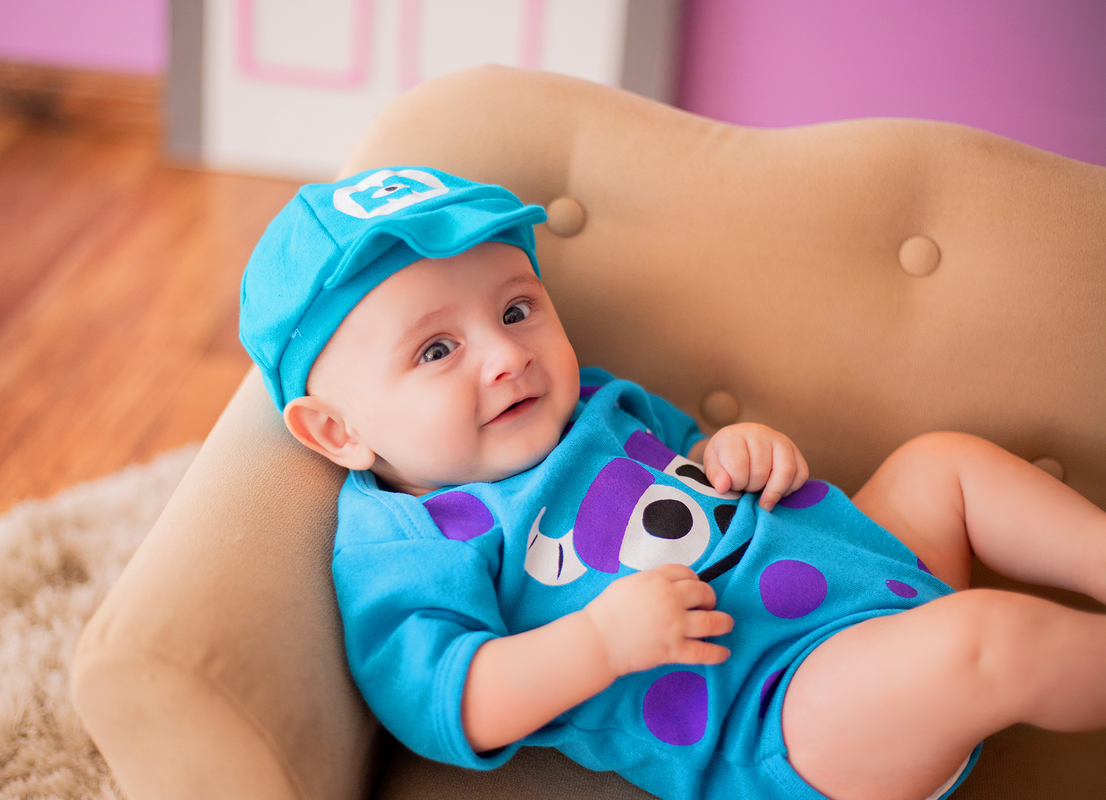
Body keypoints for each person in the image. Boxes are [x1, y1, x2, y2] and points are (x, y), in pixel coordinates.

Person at [238, 167, 1106, 800]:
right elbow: (447, 702)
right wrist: (601, 646)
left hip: (863, 566)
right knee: (985, 639)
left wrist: (744, 449)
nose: (507, 357)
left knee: (940, 464)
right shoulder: (408, 541)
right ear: (336, 430)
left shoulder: (596, 402)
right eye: (436, 351)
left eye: (515, 310)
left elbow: (694, 454)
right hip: (792, 710)